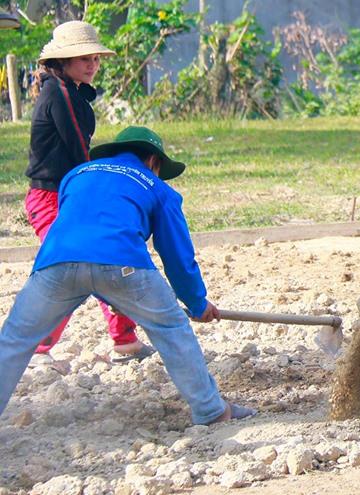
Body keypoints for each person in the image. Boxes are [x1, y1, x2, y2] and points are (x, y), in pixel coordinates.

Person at [0, 126, 255, 425]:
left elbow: (87, 235)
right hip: (124, 265)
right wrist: (197, 304)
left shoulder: (76, 175)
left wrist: (111, 294)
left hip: (55, 262)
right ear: (152, 161)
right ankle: (211, 410)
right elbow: (177, 257)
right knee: (172, 328)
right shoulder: (157, 188)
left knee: (14, 339)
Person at [24, 21, 151, 365]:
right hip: (51, 199)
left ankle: (125, 340)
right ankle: (37, 347)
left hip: (72, 195)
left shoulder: (70, 90)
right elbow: (80, 150)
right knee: (68, 267)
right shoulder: (60, 94)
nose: (92, 65)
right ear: (63, 62)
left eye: (95, 58)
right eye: (84, 59)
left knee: (106, 257)